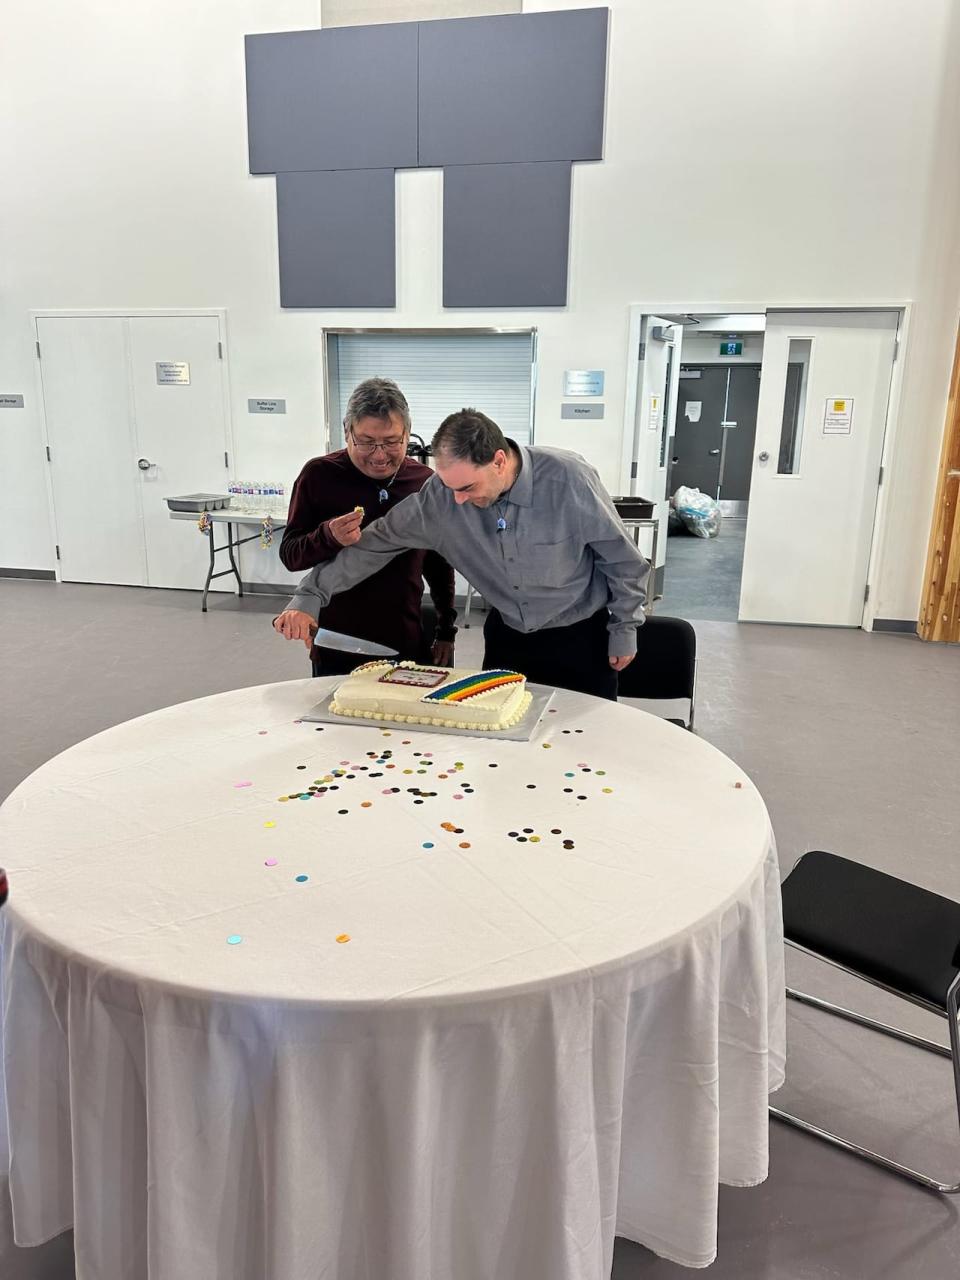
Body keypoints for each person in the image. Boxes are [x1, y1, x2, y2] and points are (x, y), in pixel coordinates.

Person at [275, 408, 649, 699]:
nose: (457, 500)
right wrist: (310, 594)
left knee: (586, 750)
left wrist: (625, 627)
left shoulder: (569, 479)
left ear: (499, 461)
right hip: (511, 638)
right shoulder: (440, 499)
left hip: (583, 636)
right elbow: (374, 544)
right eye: (448, 486)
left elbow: (621, 559)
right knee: (505, 749)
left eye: (467, 487)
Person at [279, 378, 457, 675]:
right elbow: (290, 555)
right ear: (347, 432)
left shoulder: (424, 482)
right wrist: (328, 537)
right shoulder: (318, 476)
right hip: (336, 639)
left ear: (407, 434)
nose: (379, 454)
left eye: (391, 442)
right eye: (366, 441)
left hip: (404, 637)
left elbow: (439, 564)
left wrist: (445, 629)